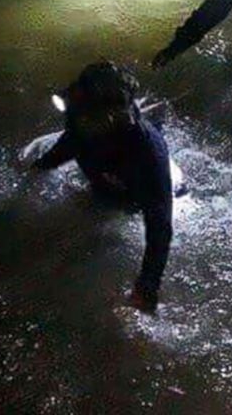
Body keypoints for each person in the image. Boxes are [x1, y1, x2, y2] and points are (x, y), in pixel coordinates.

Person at [33, 61, 172, 314]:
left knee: (88, 250)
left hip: (131, 197)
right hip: (103, 178)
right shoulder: (80, 116)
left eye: (85, 111)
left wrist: (146, 287)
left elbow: (160, 227)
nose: (77, 115)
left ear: (110, 115)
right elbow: (68, 143)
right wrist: (40, 168)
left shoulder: (148, 153)